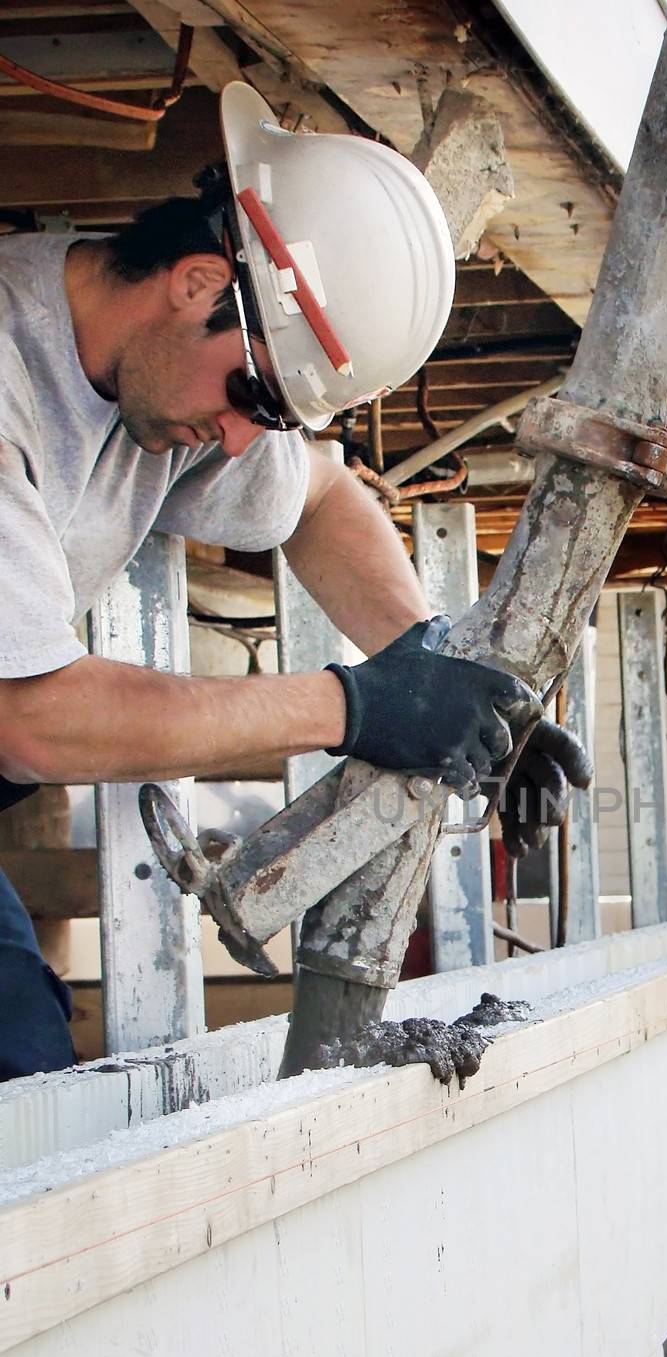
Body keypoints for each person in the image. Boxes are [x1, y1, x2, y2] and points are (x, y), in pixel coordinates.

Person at [0, 84, 585, 1082]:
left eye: (265, 418)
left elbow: (321, 501)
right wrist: (351, 707)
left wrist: (433, 678)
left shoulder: (176, 383)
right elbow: (32, 719)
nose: (236, 440)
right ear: (193, 282)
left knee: (24, 1071)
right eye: (253, 394)